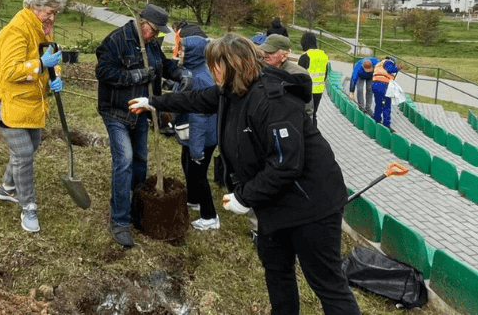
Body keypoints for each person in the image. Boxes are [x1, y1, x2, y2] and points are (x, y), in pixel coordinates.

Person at [129, 34, 361, 315]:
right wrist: (154, 102)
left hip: (311, 203)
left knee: (326, 282)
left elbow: (285, 163)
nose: (211, 71)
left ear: (232, 65)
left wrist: (244, 196)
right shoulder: (232, 90)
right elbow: (199, 99)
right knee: (276, 269)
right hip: (274, 203)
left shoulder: (273, 100)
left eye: (215, 65)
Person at [95, 3, 183, 247]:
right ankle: (120, 221)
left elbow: (162, 65)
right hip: (116, 110)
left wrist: (180, 73)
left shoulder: (151, 43)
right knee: (124, 161)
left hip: (142, 111)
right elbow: (103, 72)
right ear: (142, 23)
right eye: (153, 30)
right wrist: (135, 76)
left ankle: (137, 208)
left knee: (140, 160)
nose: (156, 35)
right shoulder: (116, 40)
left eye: (157, 32)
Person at [0, 0, 66, 233]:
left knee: (31, 146)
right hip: (5, 103)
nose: (52, 17)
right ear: (34, 7)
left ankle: (6, 188)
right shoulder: (16, 31)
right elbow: (10, 72)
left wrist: (55, 74)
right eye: (50, 11)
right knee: (24, 154)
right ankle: (28, 206)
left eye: (55, 12)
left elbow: (52, 58)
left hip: (29, 103)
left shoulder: (43, 29)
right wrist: (40, 64)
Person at [171, 25, 218, 230]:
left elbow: (199, 118)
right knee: (187, 165)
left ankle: (210, 216)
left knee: (198, 173)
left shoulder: (200, 78)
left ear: (194, 53)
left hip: (202, 136)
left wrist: (197, 150)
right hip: (192, 135)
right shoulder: (191, 71)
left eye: (183, 50)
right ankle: (193, 199)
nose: (179, 53)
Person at [297, 33, 329, 115]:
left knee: (305, 115)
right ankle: (314, 127)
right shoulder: (324, 55)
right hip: (319, 90)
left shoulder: (305, 56)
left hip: (307, 91)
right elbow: (326, 73)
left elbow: (299, 75)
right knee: (314, 114)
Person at [370, 56, 400, 133]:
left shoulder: (379, 64)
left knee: (378, 104)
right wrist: (397, 68)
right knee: (386, 105)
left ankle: (376, 120)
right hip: (382, 86)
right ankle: (386, 125)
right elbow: (390, 69)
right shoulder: (388, 62)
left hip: (375, 84)